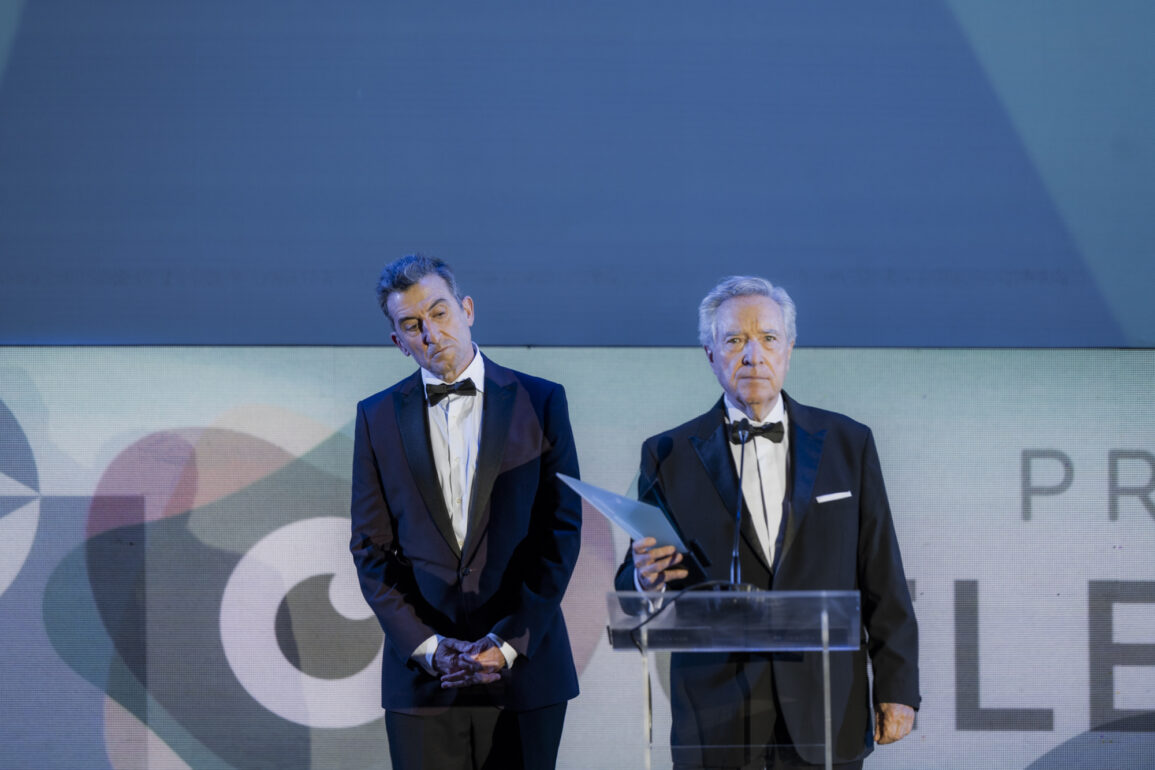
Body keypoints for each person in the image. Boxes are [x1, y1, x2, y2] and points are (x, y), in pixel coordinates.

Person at [615, 275, 919, 770]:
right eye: (734, 340)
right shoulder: (669, 454)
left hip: (826, 710)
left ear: (790, 348)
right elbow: (634, 583)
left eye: (768, 338)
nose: (753, 355)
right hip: (716, 718)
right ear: (710, 354)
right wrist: (644, 581)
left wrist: (897, 686)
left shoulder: (848, 443)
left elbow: (883, 575)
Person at [350, 254, 582, 770]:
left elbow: (561, 533)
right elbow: (370, 551)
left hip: (526, 672)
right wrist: (429, 647)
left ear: (468, 310)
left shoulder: (542, 401)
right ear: (398, 341)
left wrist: (508, 642)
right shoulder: (376, 417)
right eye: (412, 324)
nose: (431, 333)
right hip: (423, 683)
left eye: (439, 313)